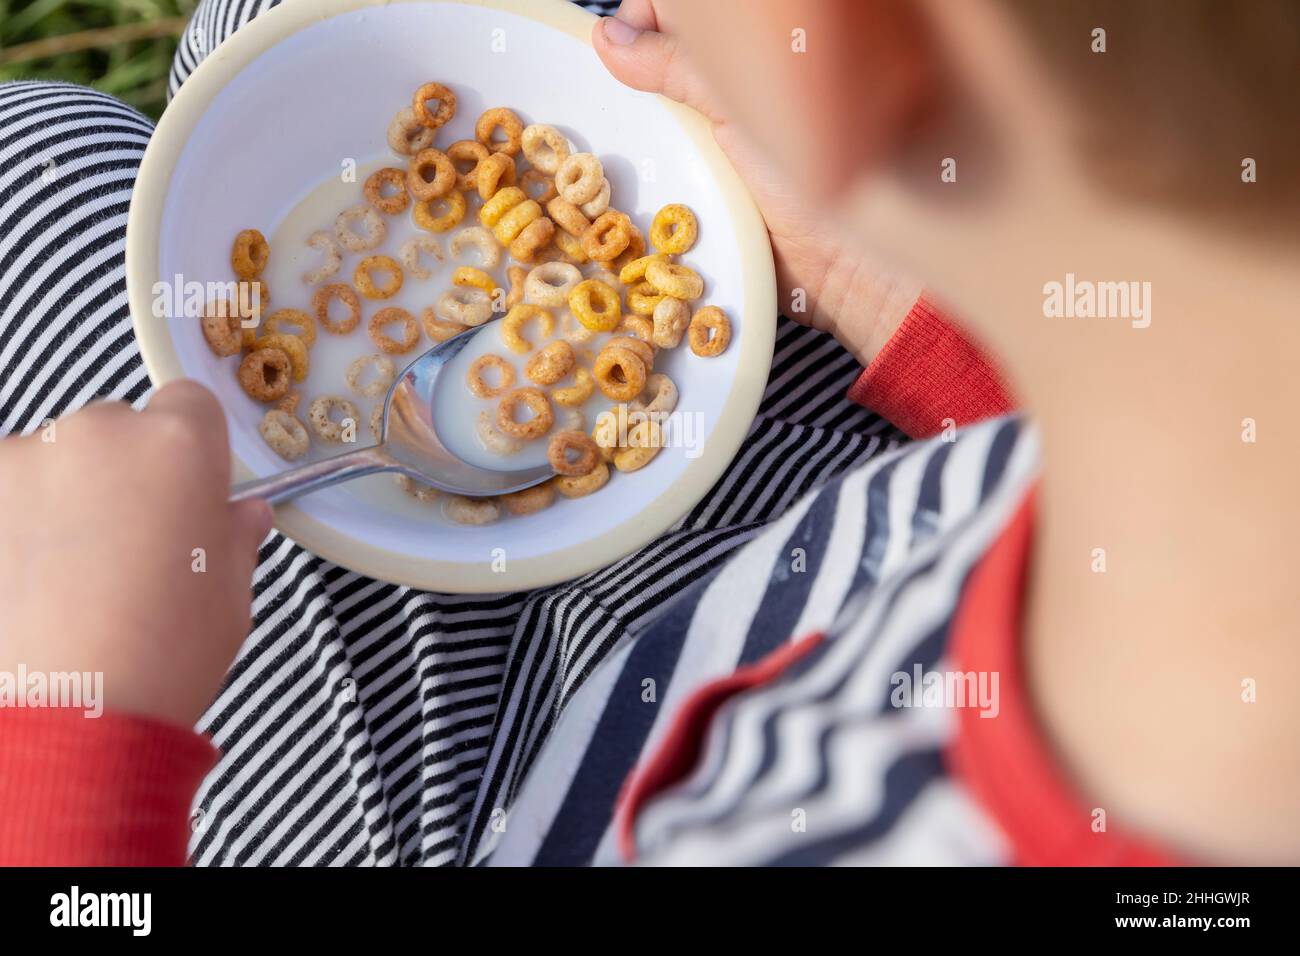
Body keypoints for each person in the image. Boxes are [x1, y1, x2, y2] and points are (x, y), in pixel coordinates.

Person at [1, 0, 1295, 866]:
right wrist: (918, 311)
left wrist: (75, 740)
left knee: (37, 184)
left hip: (547, 821)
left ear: (851, 54)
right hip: (822, 581)